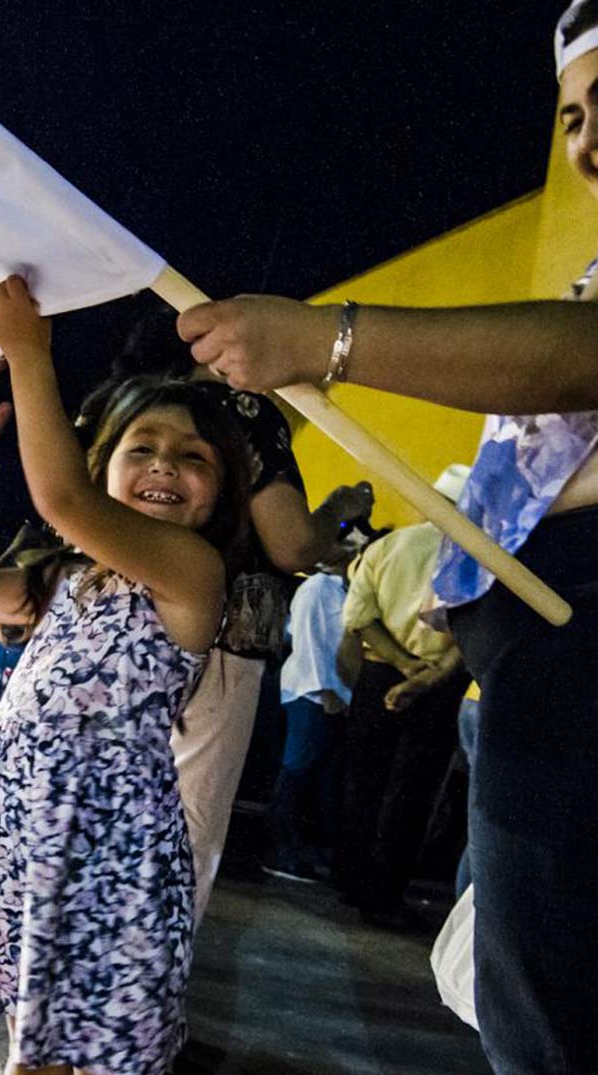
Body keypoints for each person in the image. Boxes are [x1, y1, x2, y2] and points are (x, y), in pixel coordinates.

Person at [175, 2, 598, 1073]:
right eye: (568, 115)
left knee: (557, 1036)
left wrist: (325, 337)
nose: (591, 134)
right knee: (557, 999)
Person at [0, 276, 251, 1075]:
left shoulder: (191, 572)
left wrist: (30, 353)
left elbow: (63, 497)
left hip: (110, 847)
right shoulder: (70, 577)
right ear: (108, 462)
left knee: (107, 1060)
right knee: (33, 1051)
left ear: (219, 496)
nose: (163, 466)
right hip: (34, 835)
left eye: (191, 457)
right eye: (141, 448)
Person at [82, 313, 373, 917]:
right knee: (182, 831)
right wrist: (335, 515)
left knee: (98, 810)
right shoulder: (241, 415)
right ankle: (138, 981)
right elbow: (292, 544)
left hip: (110, 624)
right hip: (218, 639)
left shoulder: (131, 409)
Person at [332, 466, 472, 927]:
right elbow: (471, 631)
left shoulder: (389, 546)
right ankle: (384, 893)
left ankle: (350, 882)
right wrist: (422, 673)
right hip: (438, 683)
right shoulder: (473, 557)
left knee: (363, 780)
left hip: (377, 675)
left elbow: (360, 618)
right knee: (413, 792)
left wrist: (400, 663)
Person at [264, 508, 372, 882]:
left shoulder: (341, 589)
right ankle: (282, 851)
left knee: (315, 774)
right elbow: (307, 642)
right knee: (296, 770)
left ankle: (302, 849)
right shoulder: (318, 588)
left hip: (329, 694)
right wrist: (323, 689)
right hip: (311, 693)